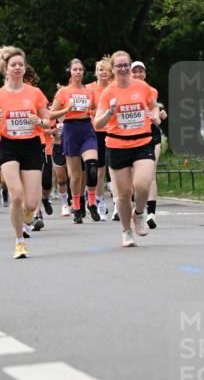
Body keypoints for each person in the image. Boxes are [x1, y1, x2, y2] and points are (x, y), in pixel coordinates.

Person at [0, 46, 50, 259]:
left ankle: (28, 217)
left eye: (21, 64)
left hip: (31, 146)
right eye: (14, 65)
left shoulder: (35, 93)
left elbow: (48, 122)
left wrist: (39, 122)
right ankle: (19, 242)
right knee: (17, 195)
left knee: (31, 203)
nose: (18, 68)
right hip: (8, 147)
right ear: (6, 68)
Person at [94, 51, 160, 248]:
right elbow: (98, 124)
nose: (123, 68)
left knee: (143, 184)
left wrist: (154, 115)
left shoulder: (142, 87)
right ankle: (126, 231)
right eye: (119, 66)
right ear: (113, 69)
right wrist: (109, 112)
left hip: (142, 142)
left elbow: (153, 105)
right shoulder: (108, 93)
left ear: (129, 67)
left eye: (126, 65)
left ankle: (139, 213)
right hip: (117, 145)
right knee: (123, 195)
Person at [50, 59, 100, 223]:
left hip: (87, 129)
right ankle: (77, 207)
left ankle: (92, 203)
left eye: (80, 69)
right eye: (75, 69)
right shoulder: (63, 92)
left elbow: (94, 108)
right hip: (70, 130)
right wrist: (67, 109)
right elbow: (51, 114)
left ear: (83, 72)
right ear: (70, 72)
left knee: (92, 167)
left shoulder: (89, 91)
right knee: (76, 176)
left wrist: (94, 111)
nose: (78, 72)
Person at [131, 61, 167, 228]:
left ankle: (151, 213)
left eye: (141, 71)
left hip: (151, 133)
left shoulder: (151, 91)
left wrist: (159, 115)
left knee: (151, 171)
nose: (138, 74)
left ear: (145, 74)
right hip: (132, 134)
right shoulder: (123, 91)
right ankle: (137, 206)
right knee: (135, 175)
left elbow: (154, 111)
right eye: (134, 72)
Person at [87, 56, 113, 219]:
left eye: (105, 69)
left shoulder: (113, 88)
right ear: (96, 72)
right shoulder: (89, 89)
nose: (102, 72)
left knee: (114, 167)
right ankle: (100, 200)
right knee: (99, 169)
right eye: (100, 69)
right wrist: (95, 112)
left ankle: (115, 202)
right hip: (95, 130)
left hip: (113, 129)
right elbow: (84, 109)